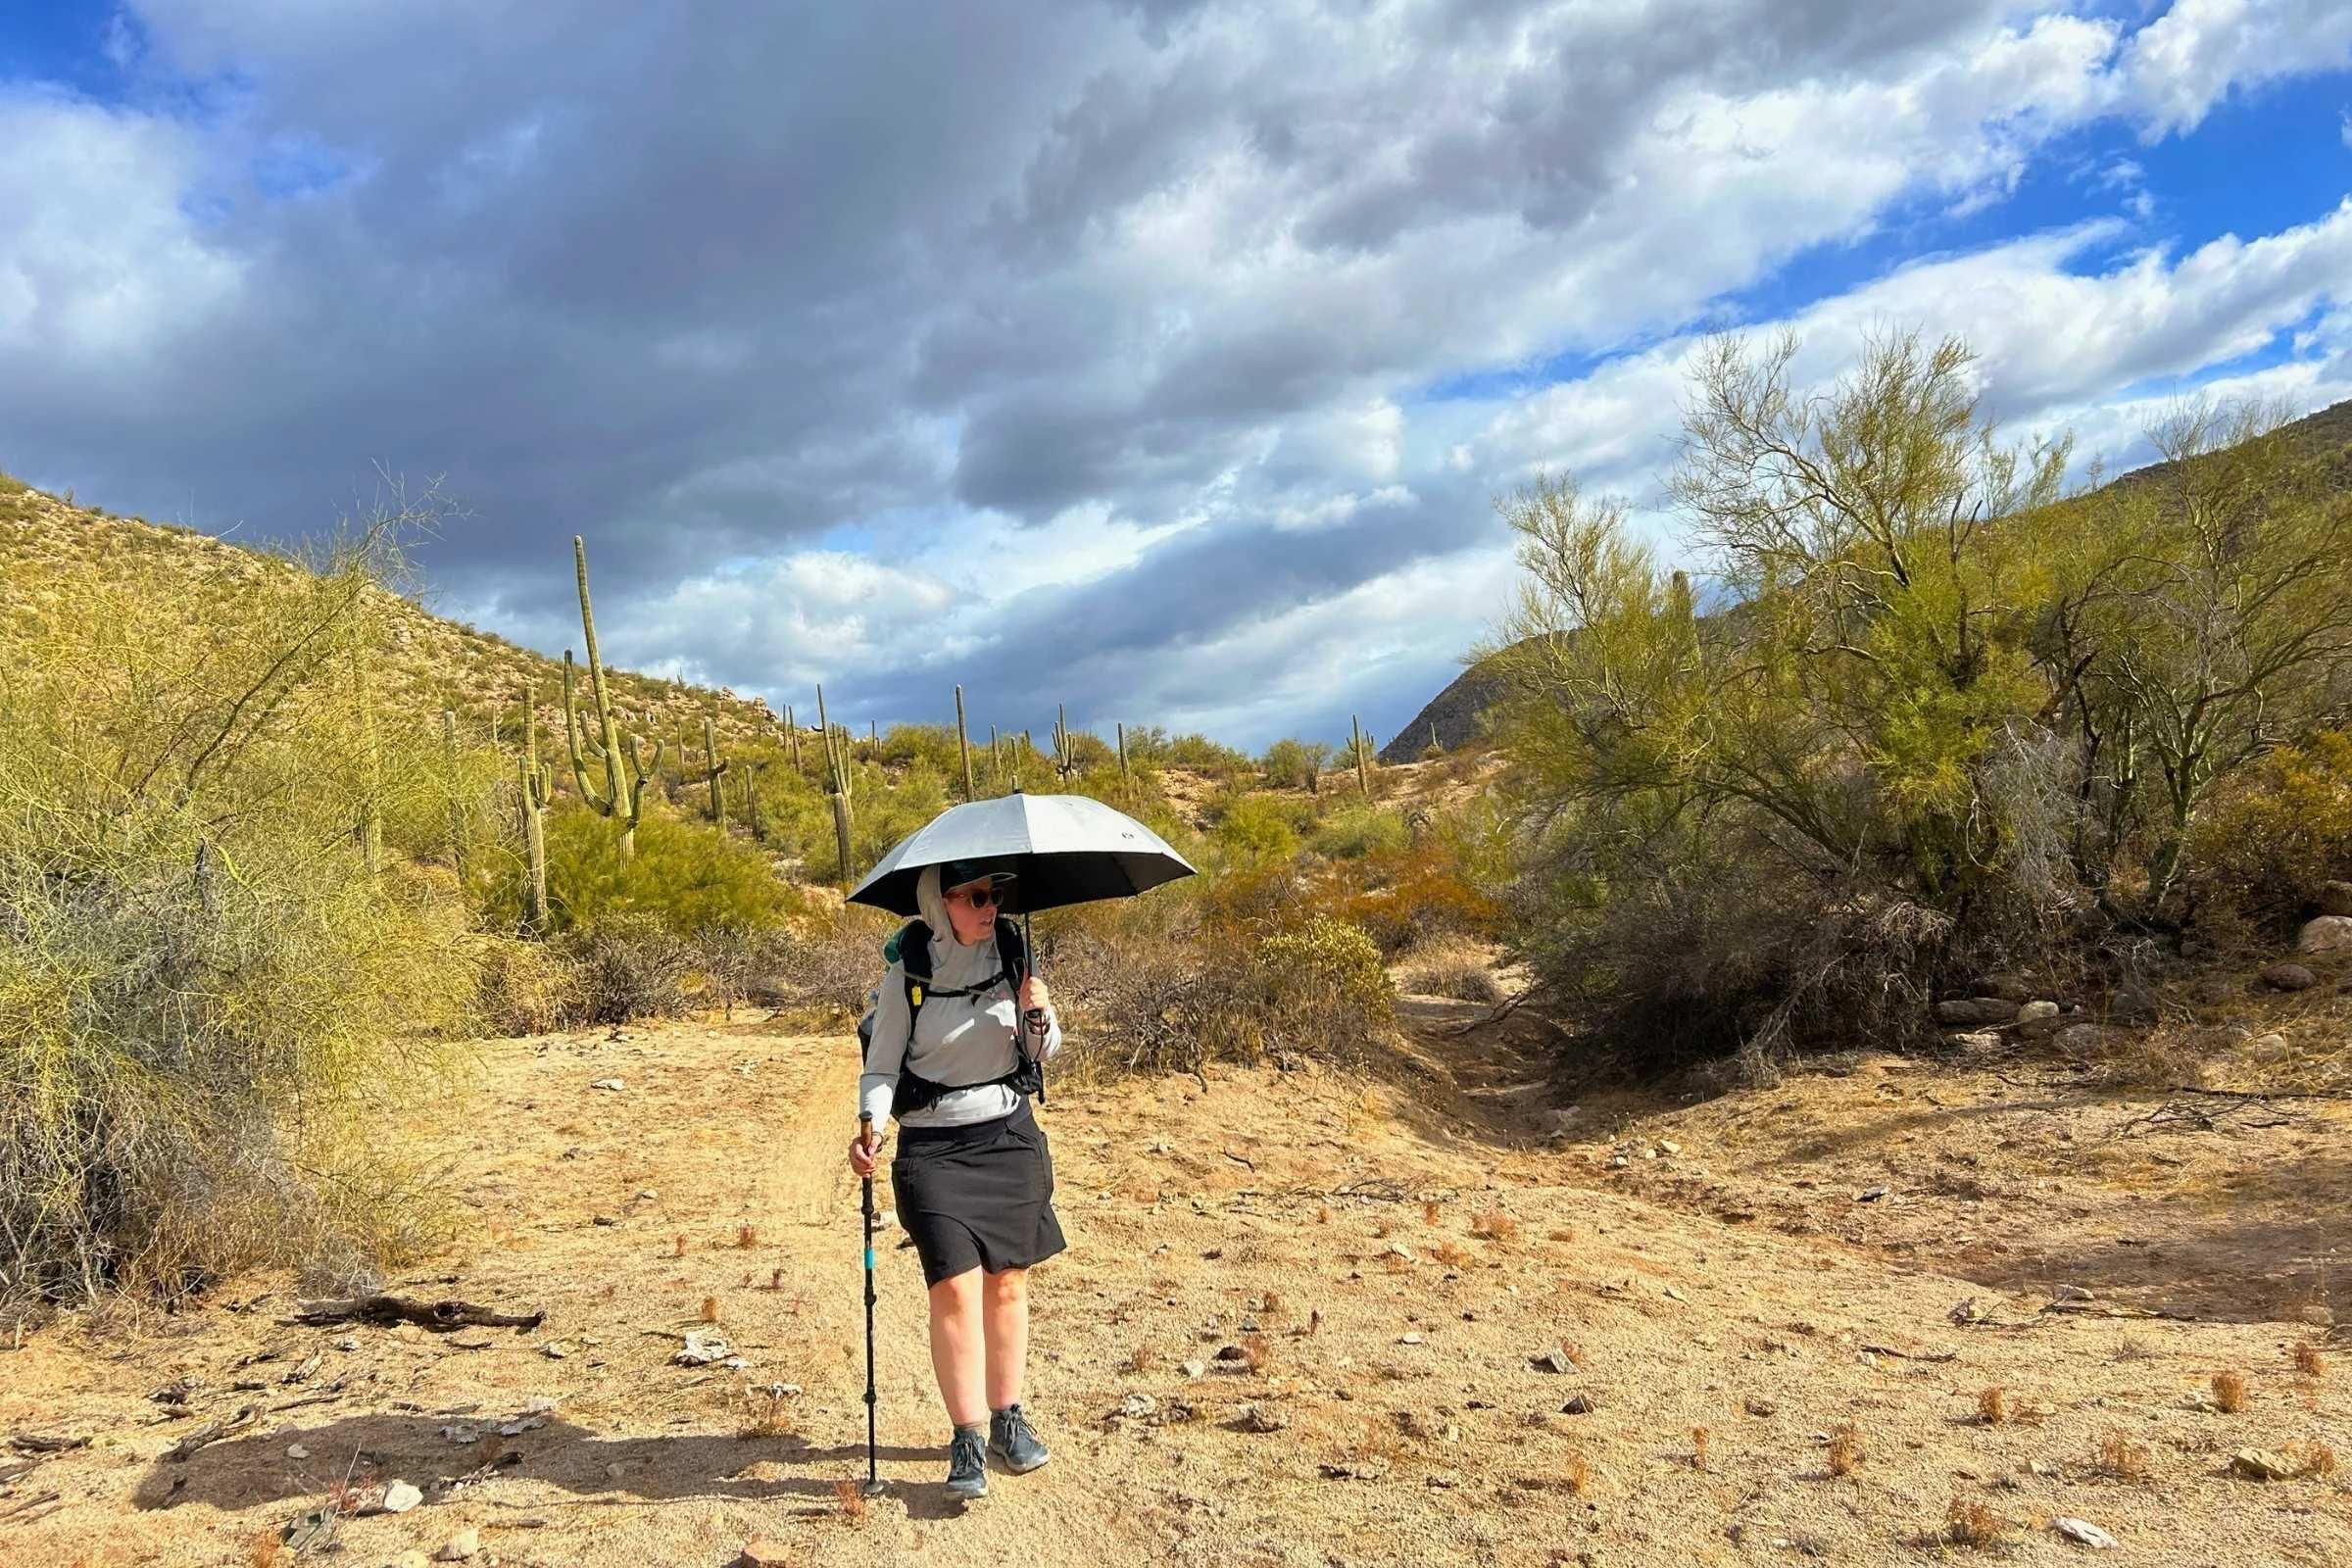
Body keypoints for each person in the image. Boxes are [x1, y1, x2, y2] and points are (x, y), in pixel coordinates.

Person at [847, 858, 1065, 1501]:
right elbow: (882, 1067)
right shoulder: (906, 976)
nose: (990, 906)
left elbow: (1040, 1055)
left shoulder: (1011, 958)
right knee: (955, 1291)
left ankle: (1008, 1418)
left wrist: (1038, 1016)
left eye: (994, 895)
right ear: (940, 903)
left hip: (1009, 1141)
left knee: (1007, 1288)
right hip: (934, 1153)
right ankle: (966, 1435)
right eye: (974, 896)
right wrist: (871, 1127)